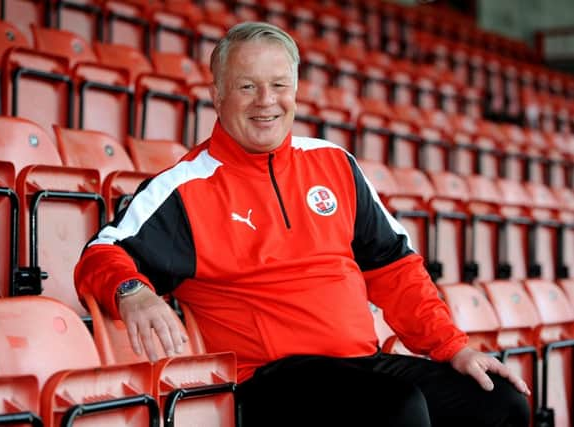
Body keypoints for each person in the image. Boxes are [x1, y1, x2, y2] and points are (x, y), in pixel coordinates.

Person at [75, 21, 530, 426]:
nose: (266, 101)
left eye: (279, 84)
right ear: (217, 96)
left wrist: (453, 347)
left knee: (498, 401)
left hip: (362, 364)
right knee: (395, 407)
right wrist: (131, 292)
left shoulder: (335, 163)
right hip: (272, 381)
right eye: (247, 87)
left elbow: (395, 268)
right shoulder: (183, 187)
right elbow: (101, 253)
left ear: (296, 89)